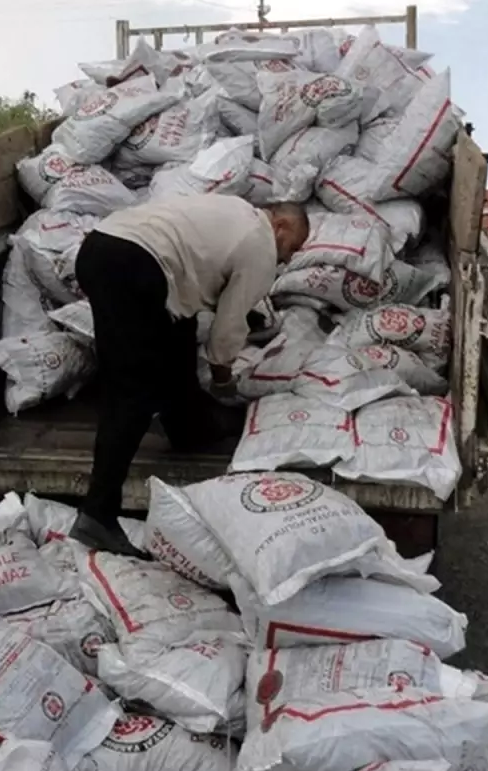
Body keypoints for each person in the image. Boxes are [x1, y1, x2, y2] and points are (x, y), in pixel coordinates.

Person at [70, 194, 310, 556]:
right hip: (131, 263)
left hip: (103, 247)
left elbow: (195, 288)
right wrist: (223, 378)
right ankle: (97, 515)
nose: (289, 258)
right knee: (132, 390)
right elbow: (228, 327)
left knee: (178, 335)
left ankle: (189, 429)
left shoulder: (234, 209)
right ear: (282, 226)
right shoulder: (260, 244)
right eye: (294, 247)